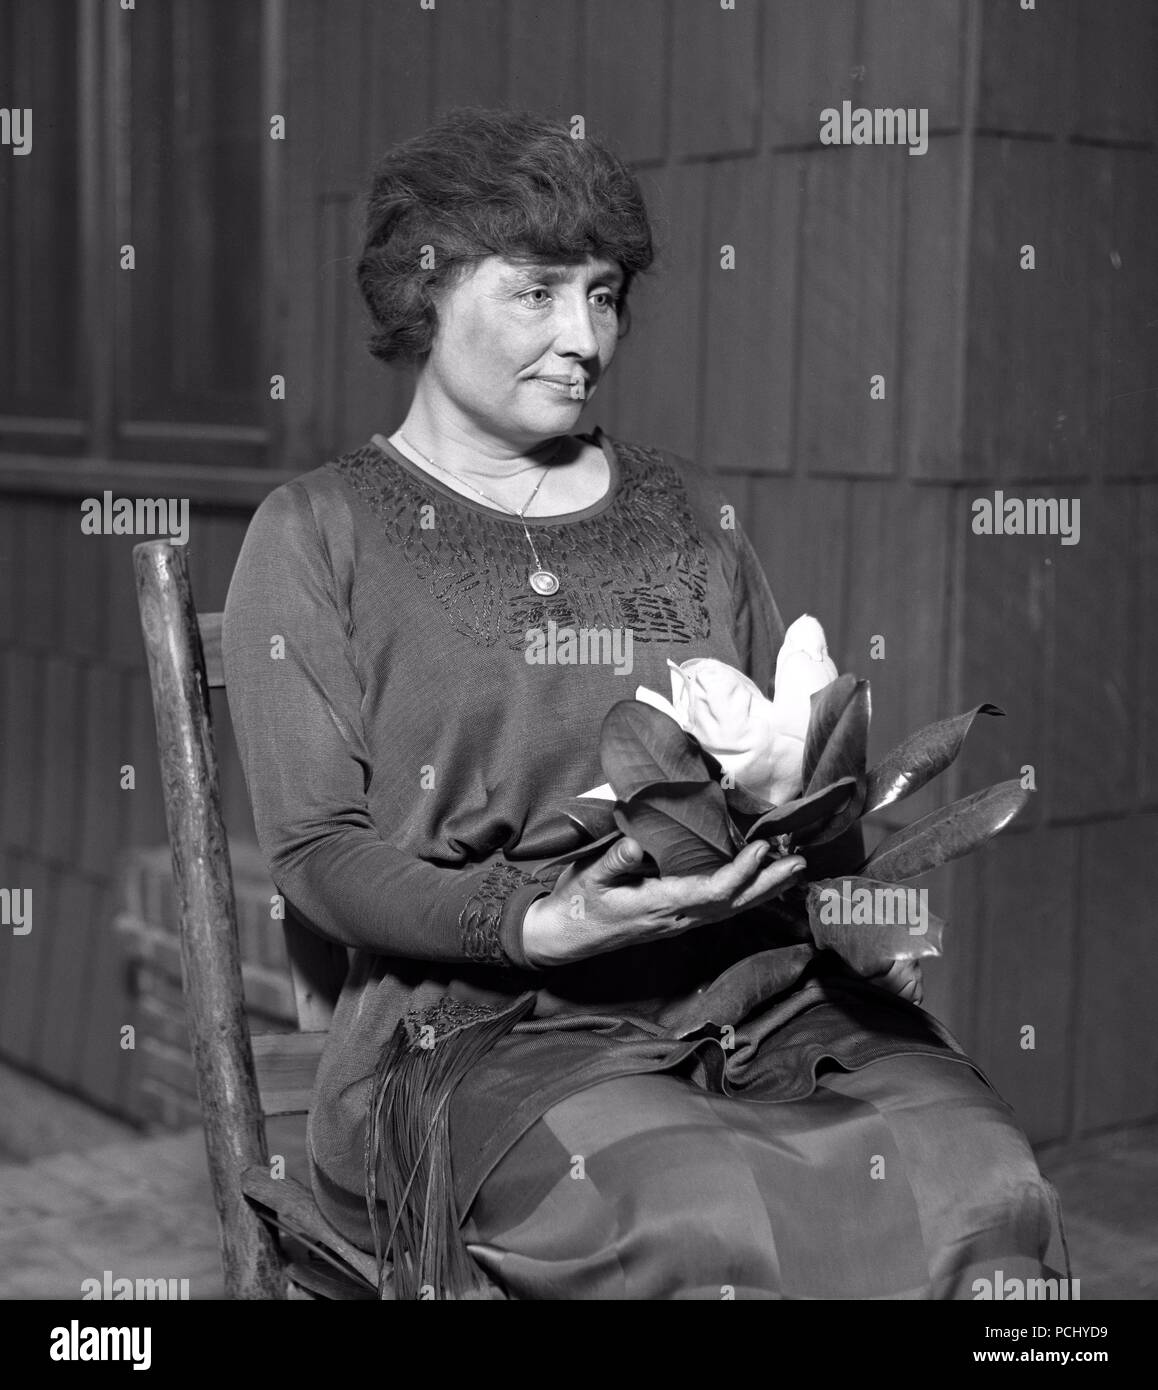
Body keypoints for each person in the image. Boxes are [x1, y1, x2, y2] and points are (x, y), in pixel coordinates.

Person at [223, 106, 1068, 1300]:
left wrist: (843, 881)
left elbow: (792, 773)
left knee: (984, 1178)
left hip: (753, 995)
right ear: (425, 290)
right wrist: (539, 922)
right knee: (694, 1215)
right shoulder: (320, 532)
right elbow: (316, 852)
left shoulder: (684, 513)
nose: (585, 338)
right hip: (480, 1032)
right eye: (538, 291)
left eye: (606, 295)